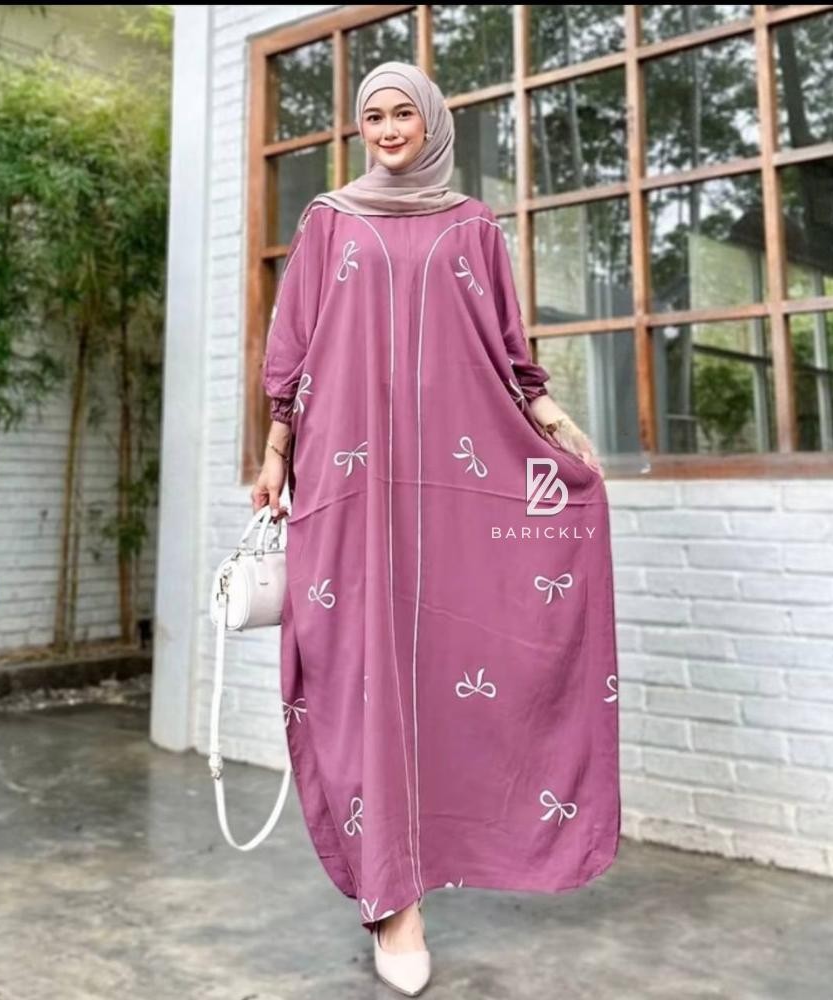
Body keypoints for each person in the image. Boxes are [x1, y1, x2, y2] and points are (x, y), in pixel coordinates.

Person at [252, 61, 620, 997]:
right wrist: (277, 449)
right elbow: (294, 346)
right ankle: (394, 904)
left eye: (401, 114)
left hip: (449, 480)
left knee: (446, 666)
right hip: (347, 475)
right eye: (371, 116)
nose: (385, 130)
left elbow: (504, 344)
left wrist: (543, 413)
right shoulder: (329, 220)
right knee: (358, 668)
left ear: (431, 124)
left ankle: (420, 874)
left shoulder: (472, 226)